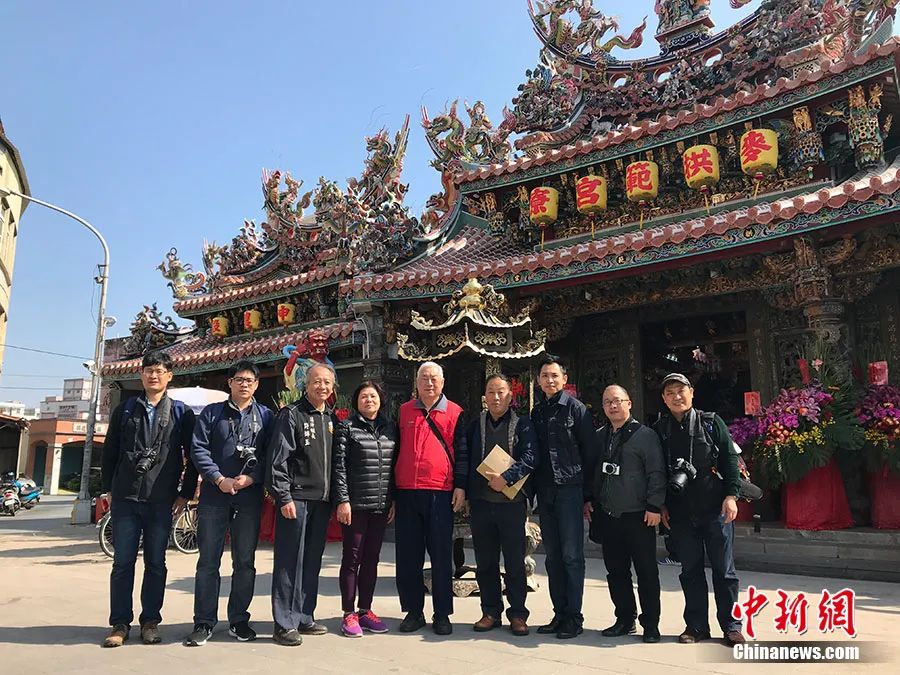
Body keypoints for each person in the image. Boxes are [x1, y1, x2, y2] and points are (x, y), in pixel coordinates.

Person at [99, 352, 198, 648]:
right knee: (122, 562)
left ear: (169, 376)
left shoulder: (181, 413)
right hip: (126, 496)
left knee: (156, 563)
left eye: (159, 371)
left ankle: (150, 621)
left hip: (161, 499)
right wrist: (107, 488)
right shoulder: (126, 409)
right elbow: (110, 450)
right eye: (148, 370)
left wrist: (185, 493)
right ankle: (119, 624)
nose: (153, 375)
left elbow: (192, 455)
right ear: (141, 375)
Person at [183, 360, 275, 647]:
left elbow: (272, 454)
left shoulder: (266, 416)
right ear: (230, 382)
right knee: (208, 562)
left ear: (256, 385)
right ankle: (204, 622)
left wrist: (252, 478)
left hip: (248, 498)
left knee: (245, 562)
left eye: (249, 380)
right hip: (214, 496)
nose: (244, 384)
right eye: (239, 379)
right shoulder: (212, 413)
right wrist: (217, 478)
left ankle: (239, 619)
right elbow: (198, 449)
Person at [654, 373, 746, 647]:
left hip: (715, 508)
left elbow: (729, 458)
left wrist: (731, 495)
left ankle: (731, 626)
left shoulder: (710, 422)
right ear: (663, 399)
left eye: (681, 390)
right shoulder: (660, 429)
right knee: (690, 571)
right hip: (680, 512)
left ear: (691, 393)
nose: (676, 396)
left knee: (724, 571)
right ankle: (696, 626)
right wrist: (661, 504)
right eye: (670, 392)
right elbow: (656, 471)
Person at [584, 385, 666, 644]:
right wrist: (588, 499)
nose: (613, 406)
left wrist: (654, 506)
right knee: (616, 571)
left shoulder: (645, 435)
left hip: (639, 515)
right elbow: (592, 471)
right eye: (607, 402)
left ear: (629, 403)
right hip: (609, 514)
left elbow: (656, 472)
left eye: (617, 401)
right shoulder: (600, 436)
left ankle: (650, 624)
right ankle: (624, 619)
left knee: (646, 572)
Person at [267, 362, 339, 647]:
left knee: (311, 561)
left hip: (321, 501)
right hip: (296, 500)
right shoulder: (292, 414)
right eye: (316, 381)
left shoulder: (331, 418)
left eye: (327, 382)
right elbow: (278, 459)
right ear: (305, 385)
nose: (322, 386)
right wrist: (283, 496)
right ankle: (284, 623)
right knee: (289, 561)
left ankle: (304, 615)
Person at [460, 373, 538, 637]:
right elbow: (465, 457)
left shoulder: (523, 424)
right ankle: (490, 611)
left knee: (514, 562)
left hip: (512, 503)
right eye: (491, 392)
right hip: (482, 503)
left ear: (510, 395)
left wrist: (507, 477)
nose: (496, 397)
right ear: (485, 396)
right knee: (485, 562)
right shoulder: (475, 424)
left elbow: (531, 457)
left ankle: (518, 614)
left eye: (501, 392)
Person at [393, 361, 467, 636]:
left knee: (441, 556)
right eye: (424, 378)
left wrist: (461, 486)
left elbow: (462, 452)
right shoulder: (403, 411)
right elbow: (395, 450)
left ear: (443, 383)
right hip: (407, 491)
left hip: (439, 492)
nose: (429, 383)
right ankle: (413, 612)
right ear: (417, 382)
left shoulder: (455, 412)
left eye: (434, 378)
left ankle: (442, 614)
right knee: (408, 556)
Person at [530, 354, 595, 639]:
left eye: (554, 375)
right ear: (538, 380)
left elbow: (590, 453)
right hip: (545, 492)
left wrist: (587, 494)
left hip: (570, 489)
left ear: (564, 379)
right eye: (545, 375)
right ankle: (559, 614)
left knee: (571, 556)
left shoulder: (576, 409)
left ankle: (574, 617)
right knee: (553, 557)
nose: (550, 380)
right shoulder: (537, 412)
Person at [332, 380, 398, 638]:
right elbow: (339, 466)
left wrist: (392, 499)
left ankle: (365, 610)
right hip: (355, 505)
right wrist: (343, 500)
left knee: (372, 559)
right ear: (356, 402)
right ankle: (348, 612)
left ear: (381, 400)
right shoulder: (347, 427)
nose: (369, 400)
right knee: (352, 559)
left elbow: (393, 467)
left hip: (380, 505)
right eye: (363, 397)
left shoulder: (390, 428)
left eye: (373, 396)